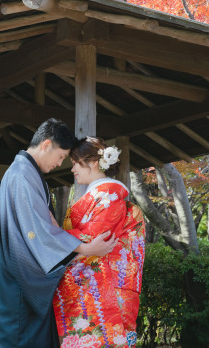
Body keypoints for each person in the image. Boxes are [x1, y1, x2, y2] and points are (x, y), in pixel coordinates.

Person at [0, 119, 116, 348]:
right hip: (20, 282)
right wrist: (85, 248)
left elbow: (42, 227)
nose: (61, 163)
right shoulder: (22, 175)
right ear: (46, 145)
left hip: (19, 277)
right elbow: (37, 231)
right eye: (62, 156)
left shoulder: (25, 172)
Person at [53, 136, 146, 348]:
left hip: (112, 287)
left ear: (93, 162)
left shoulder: (110, 194)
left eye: (76, 163)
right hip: (109, 284)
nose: (72, 169)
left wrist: (54, 233)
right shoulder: (100, 194)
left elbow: (95, 238)